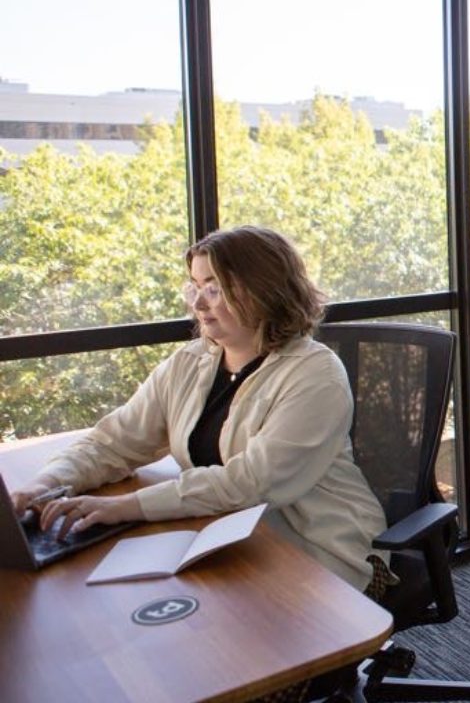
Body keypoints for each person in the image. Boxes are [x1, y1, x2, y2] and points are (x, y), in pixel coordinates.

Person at [9, 225, 389, 597]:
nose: (198, 303)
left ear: (263, 290)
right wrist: (42, 486)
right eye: (195, 286)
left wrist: (123, 508)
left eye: (215, 288)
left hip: (318, 552)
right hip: (223, 536)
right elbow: (115, 441)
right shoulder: (190, 362)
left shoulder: (315, 375)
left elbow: (250, 483)